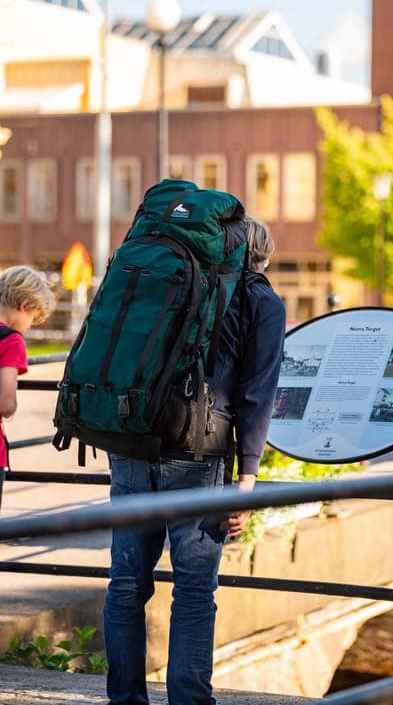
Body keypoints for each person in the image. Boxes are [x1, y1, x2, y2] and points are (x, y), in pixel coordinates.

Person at [103, 217, 286, 705]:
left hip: (132, 441)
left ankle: (124, 699)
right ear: (260, 256)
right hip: (198, 455)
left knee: (125, 583)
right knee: (193, 589)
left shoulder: (172, 283)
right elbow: (257, 395)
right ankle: (188, 701)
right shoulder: (259, 299)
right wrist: (247, 480)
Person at [0, 265, 56, 507]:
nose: (28, 327)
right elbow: (5, 402)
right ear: (23, 305)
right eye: (32, 319)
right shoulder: (10, 340)